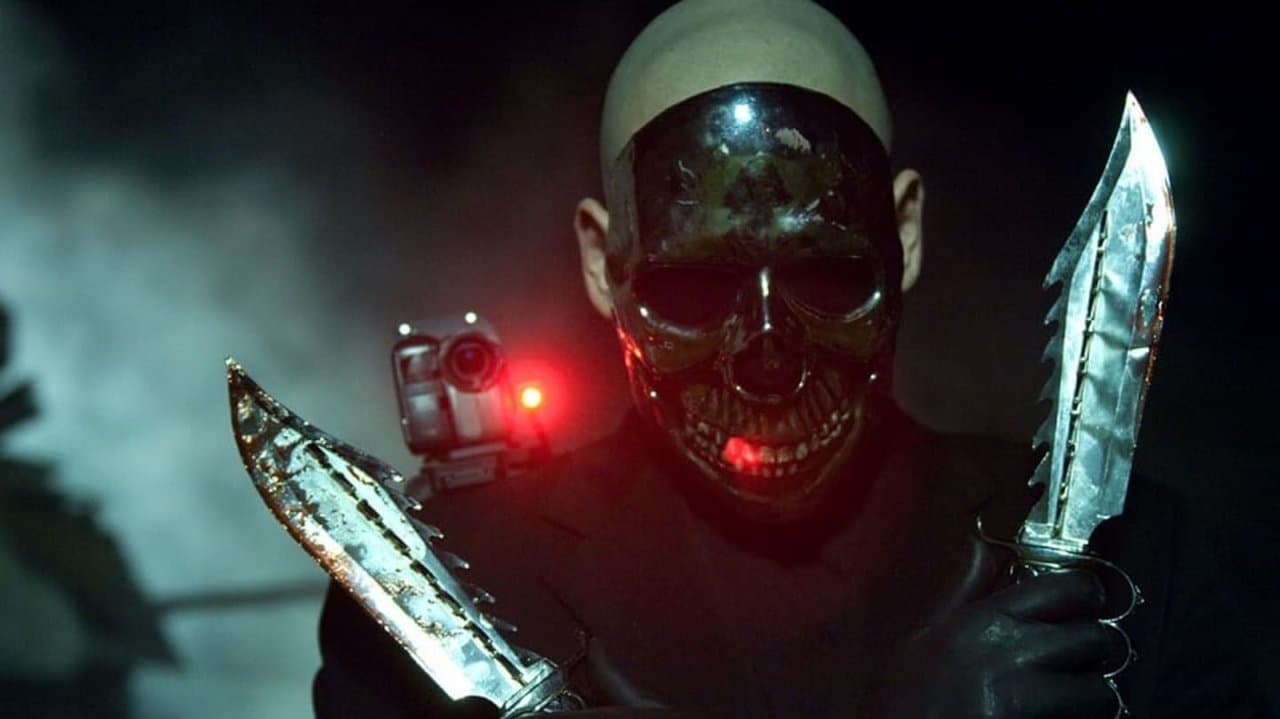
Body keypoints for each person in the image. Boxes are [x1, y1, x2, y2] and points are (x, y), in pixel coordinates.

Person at [313, 1, 1270, 717]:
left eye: (825, 272)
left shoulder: (1134, 561)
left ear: (904, 234)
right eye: (695, 286)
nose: (766, 357)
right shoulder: (433, 597)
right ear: (605, 265)